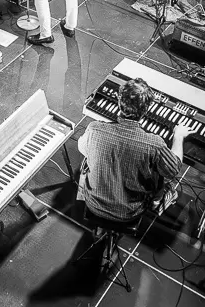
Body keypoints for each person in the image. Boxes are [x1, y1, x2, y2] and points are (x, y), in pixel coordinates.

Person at [77, 78, 186, 222]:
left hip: (93, 204)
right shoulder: (155, 144)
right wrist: (178, 137)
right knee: (159, 175)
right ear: (146, 109)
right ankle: (157, 202)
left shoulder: (94, 129)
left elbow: (83, 149)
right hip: (129, 213)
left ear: (119, 101)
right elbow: (173, 169)